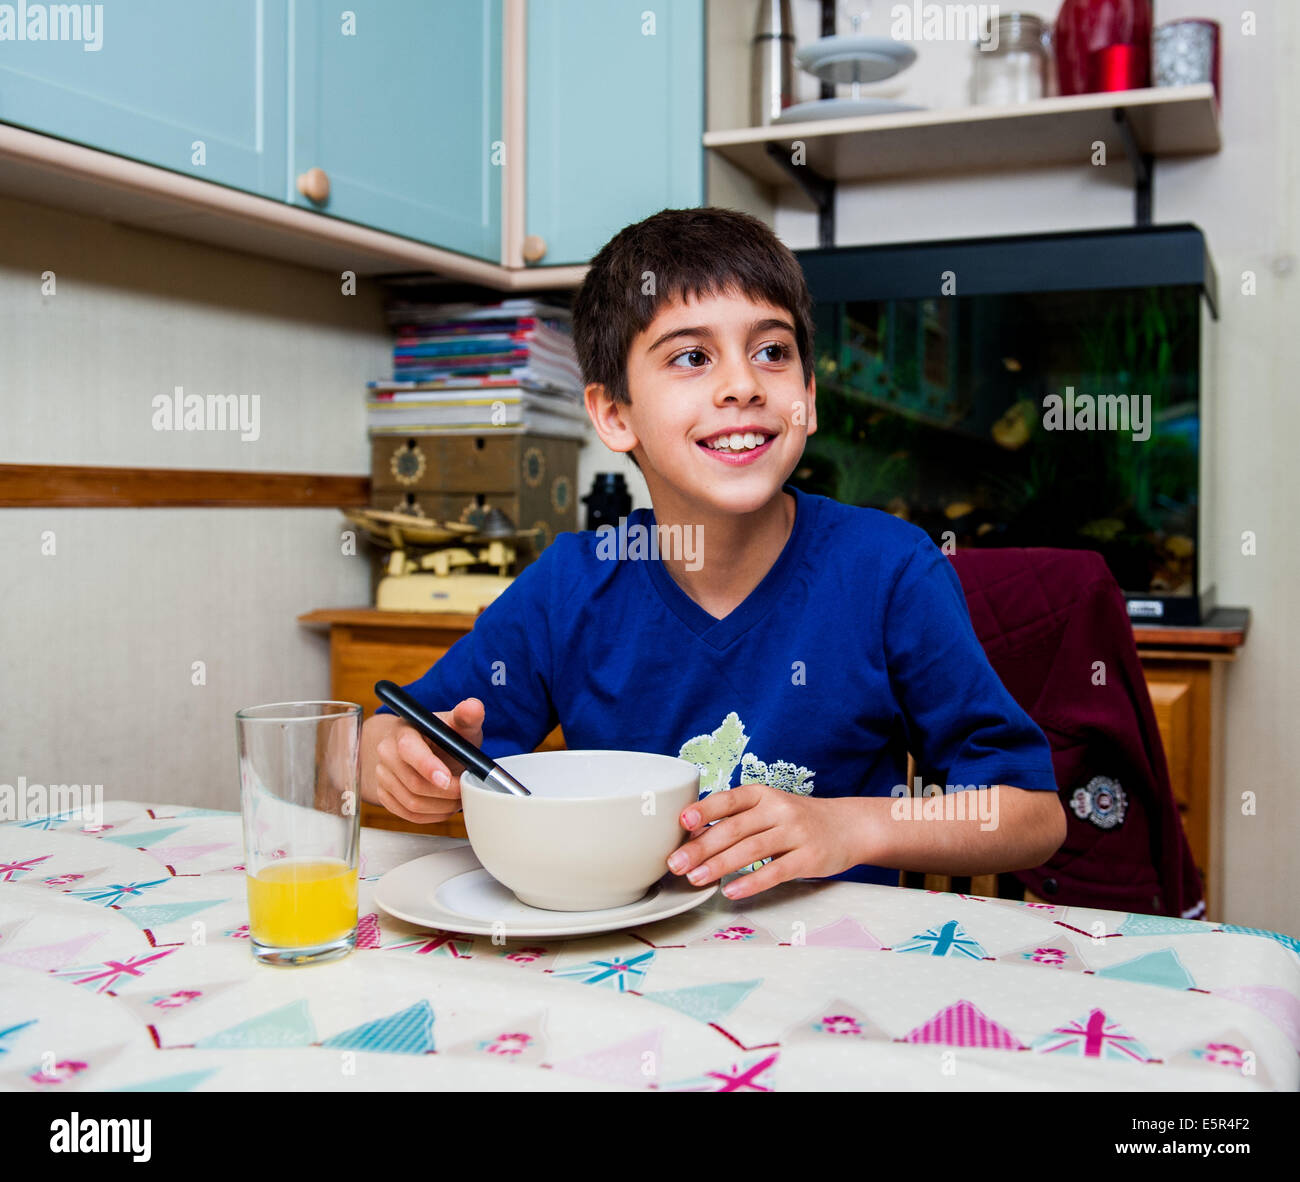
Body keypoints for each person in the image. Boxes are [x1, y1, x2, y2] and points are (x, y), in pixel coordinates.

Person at [361, 206, 1066, 902]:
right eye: (692, 357)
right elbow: (399, 733)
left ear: (809, 400)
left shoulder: (890, 571)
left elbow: (1030, 815)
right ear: (614, 414)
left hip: (827, 969)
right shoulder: (571, 585)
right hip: (624, 956)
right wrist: (389, 761)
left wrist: (850, 826)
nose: (743, 385)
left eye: (772, 352)